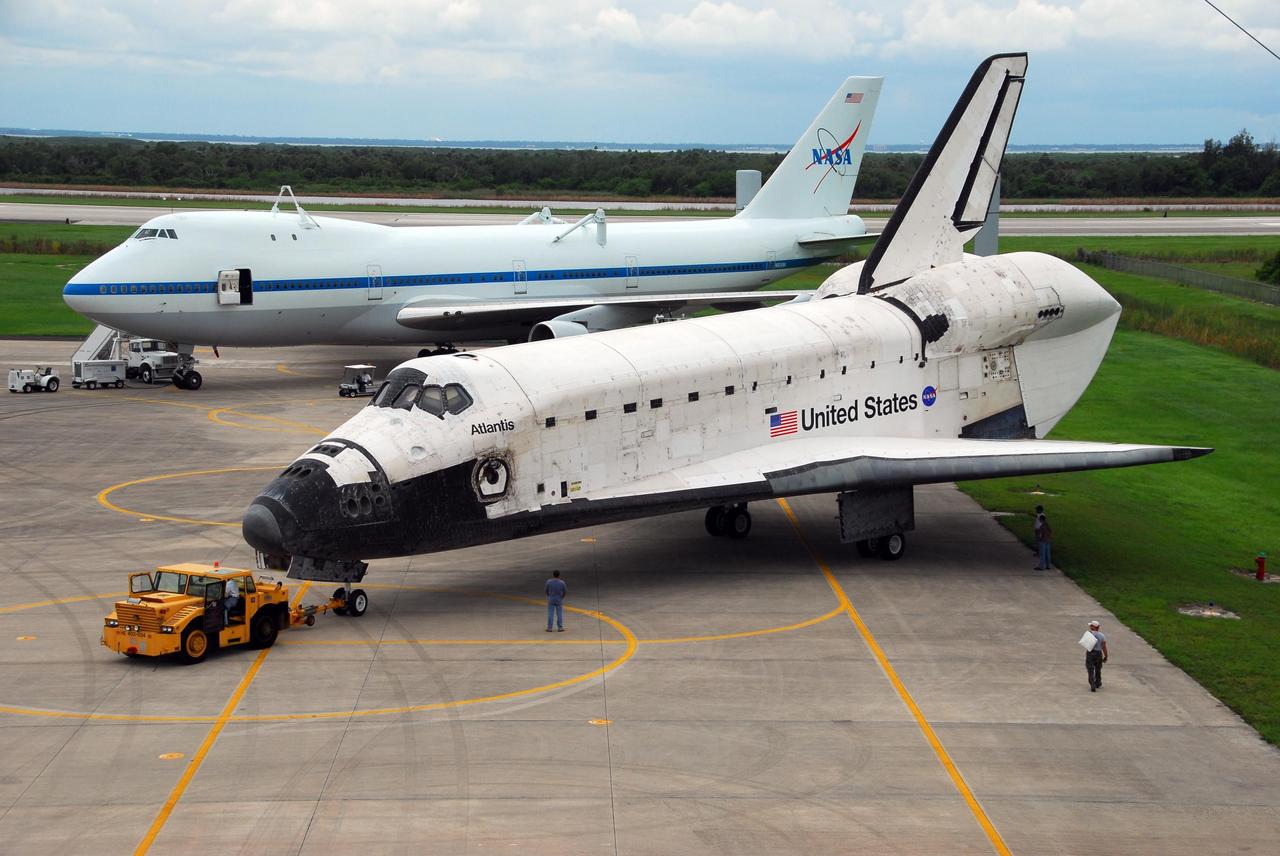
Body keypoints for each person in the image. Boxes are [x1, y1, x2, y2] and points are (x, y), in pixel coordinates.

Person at [1085, 620, 1109, 691]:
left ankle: (1092, 684)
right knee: (1098, 669)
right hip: (1099, 653)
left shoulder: (1089, 634)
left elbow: (1087, 645)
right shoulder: (1102, 635)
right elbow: (1104, 647)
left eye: (1091, 625)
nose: (1090, 626)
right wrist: (1106, 656)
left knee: (1090, 669)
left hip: (1091, 653)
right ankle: (1098, 683)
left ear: (1093, 627)